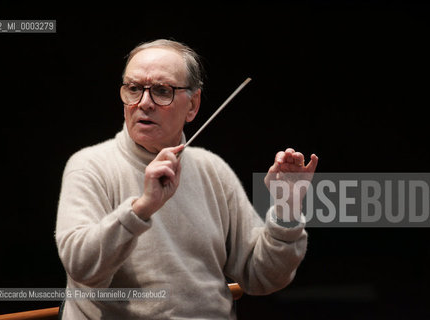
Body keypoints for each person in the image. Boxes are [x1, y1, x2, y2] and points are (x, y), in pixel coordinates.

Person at [55, 39, 318, 319]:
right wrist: (141, 208)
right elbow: (82, 269)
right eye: (133, 89)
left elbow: (262, 277)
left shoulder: (213, 169)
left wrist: (287, 209)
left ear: (192, 105)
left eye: (161, 91)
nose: (144, 103)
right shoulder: (88, 166)